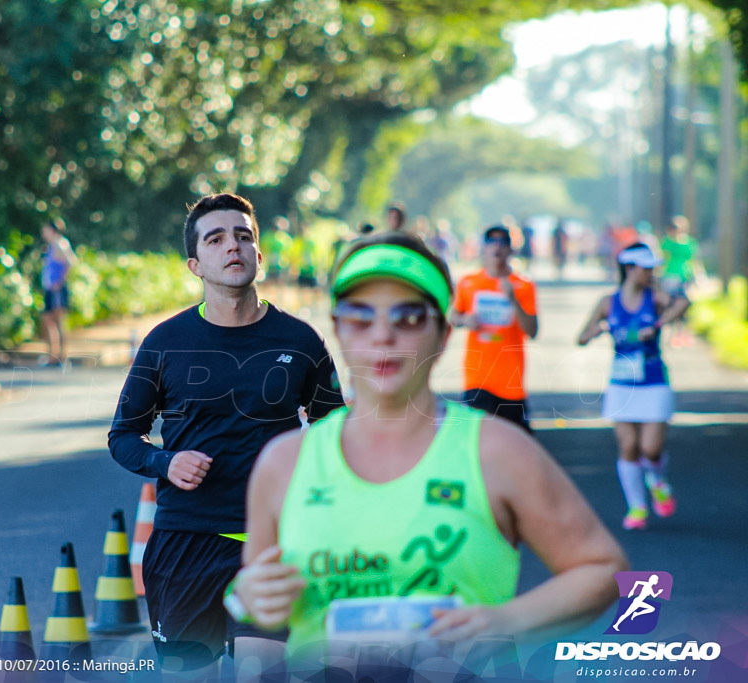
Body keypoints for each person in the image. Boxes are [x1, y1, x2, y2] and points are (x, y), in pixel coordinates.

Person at [229, 232, 627, 678]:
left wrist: (503, 622)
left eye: (410, 316)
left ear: (443, 333)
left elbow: (602, 569)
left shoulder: (497, 450)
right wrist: (254, 597)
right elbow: (259, 606)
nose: (383, 334)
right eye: (361, 317)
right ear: (337, 329)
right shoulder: (284, 462)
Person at [107, 193, 345, 678]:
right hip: (185, 542)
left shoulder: (299, 341)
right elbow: (123, 436)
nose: (232, 246)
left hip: (270, 545)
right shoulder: (165, 342)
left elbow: (335, 433)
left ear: (259, 254)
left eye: (243, 236)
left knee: (262, 671)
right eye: (215, 239)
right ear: (195, 263)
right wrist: (164, 463)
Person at [577, 242, 689, 530]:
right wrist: (596, 331)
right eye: (645, 268)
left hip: (653, 381)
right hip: (622, 384)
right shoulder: (608, 302)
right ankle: (637, 507)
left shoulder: (656, 296)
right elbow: (582, 335)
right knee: (628, 445)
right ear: (629, 268)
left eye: (652, 268)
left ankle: (657, 481)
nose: (650, 273)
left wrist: (659, 323)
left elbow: (684, 303)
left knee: (650, 448)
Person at [451, 225, 538, 431]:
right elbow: (453, 316)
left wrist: (513, 300)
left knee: (516, 446)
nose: (496, 247)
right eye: (491, 242)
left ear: (510, 250)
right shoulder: (468, 283)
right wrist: (465, 320)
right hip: (477, 379)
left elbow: (532, 331)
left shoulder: (523, 285)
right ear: (484, 249)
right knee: (478, 441)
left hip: (510, 383)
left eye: (502, 243)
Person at [39, 218, 77, 367]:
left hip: (57, 290)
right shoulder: (50, 246)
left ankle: (62, 356)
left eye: (45, 230)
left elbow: (71, 262)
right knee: (47, 320)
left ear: (52, 230)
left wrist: (59, 282)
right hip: (49, 289)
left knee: (59, 321)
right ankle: (52, 355)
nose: (43, 233)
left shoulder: (61, 244)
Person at [659, 216, 700, 348]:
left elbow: (695, 260)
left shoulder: (690, 243)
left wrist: (698, 277)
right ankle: (673, 335)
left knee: (686, 307)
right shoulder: (667, 243)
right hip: (670, 278)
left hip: (685, 278)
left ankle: (684, 335)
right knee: (672, 307)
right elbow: (661, 258)